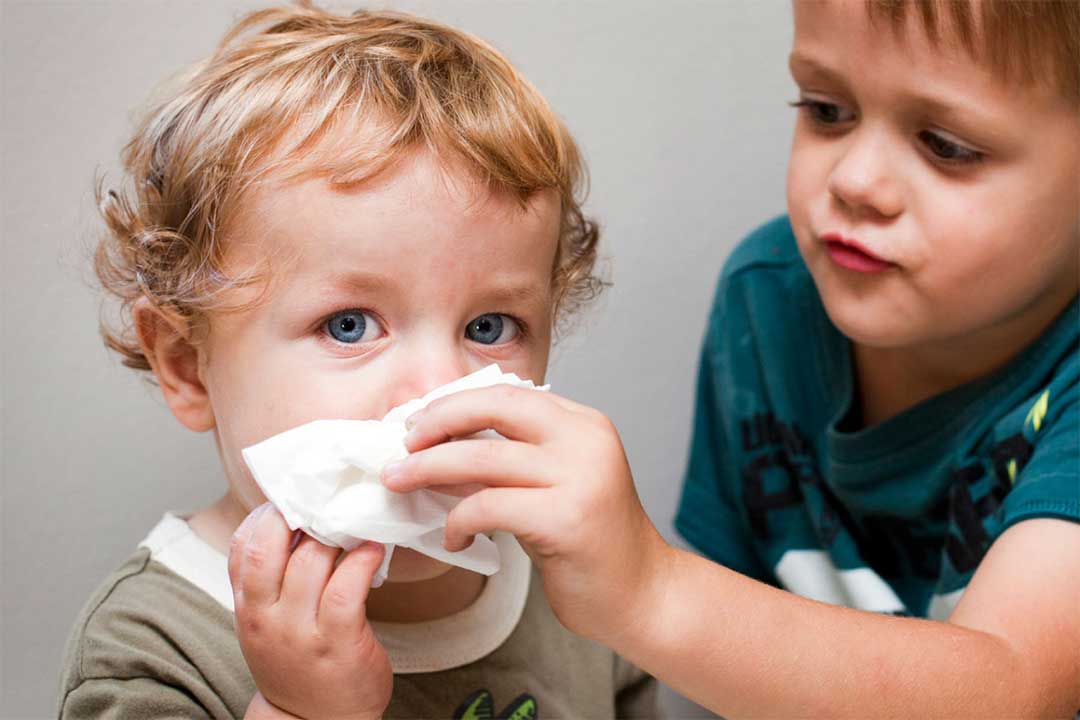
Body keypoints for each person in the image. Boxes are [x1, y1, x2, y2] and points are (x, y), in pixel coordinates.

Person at [384, 0, 1080, 715]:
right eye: (826, 109)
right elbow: (731, 668)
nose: (855, 181)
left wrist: (650, 590)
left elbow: (1014, 690)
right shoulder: (770, 301)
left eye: (946, 145)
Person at [58, 3, 659, 718]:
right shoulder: (155, 647)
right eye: (349, 326)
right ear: (188, 366)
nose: (439, 391)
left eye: (490, 325)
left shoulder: (576, 586)